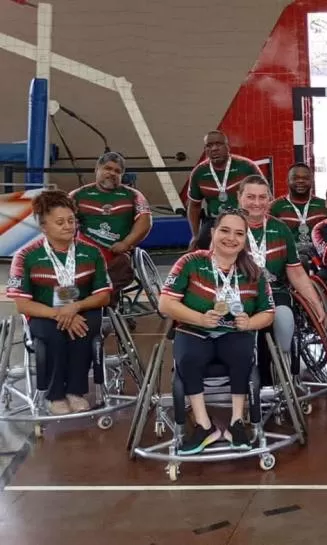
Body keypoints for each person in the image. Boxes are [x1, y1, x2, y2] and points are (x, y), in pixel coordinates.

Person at [159, 210, 276, 454]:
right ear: (212, 233)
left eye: (239, 233)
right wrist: (199, 318)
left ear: (245, 239)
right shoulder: (190, 262)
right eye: (225, 231)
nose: (231, 238)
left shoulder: (254, 271)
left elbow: (268, 313)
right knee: (189, 357)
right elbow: (166, 304)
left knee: (242, 353)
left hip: (233, 331)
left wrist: (250, 323)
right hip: (194, 330)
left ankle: (237, 421)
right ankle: (203, 425)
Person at [7, 190, 112, 415]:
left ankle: (75, 391)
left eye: (72, 220)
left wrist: (74, 307)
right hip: (43, 313)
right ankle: (54, 395)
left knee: (85, 327)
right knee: (54, 334)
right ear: (44, 227)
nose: (68, 226)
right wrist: (59, 314)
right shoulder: (25, 256)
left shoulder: (91, 252)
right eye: (60, 222)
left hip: (81, 308)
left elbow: (103, 296)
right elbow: (22, 305)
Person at [237, 176, 327, 366]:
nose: (257, 203)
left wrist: (315, 304)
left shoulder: (280, 228)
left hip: (274, 291)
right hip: (238, 293)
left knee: (284, 318)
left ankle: (279, 366)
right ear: (239, 197)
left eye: (263, 197)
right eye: (250, 197)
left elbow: (296, 272)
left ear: (270, 199)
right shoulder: (228, 227)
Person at [69, 152, 152, 301]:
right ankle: (61, 308)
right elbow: (58, 219)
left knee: (119, 269)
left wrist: (126, 243)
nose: (112, 173)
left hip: (116, 254)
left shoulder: (133, 195)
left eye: (117, 171)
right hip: (83, 253)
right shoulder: (77, 195)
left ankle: (103, 308)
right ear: (97, 169)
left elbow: (145, 220)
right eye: (108, 168)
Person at [185, 130, 264, 250]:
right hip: (215, 220)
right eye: (209, 146)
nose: (214, 149)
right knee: (201, 244)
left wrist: (260, 224)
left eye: (218, 144)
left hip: (245, 219)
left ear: (228, 147)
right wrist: (195, 235)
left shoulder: (247, 167)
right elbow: (194, 206)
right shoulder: (199, 172)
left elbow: (265, 197)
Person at [269, 163, 327, 246]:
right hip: (287, 257)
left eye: (305, 178)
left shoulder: (325, 206)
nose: (300, 181)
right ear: (287, 180)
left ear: (312, 181)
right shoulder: (275, 206)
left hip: (319, 257)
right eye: (295, 178)